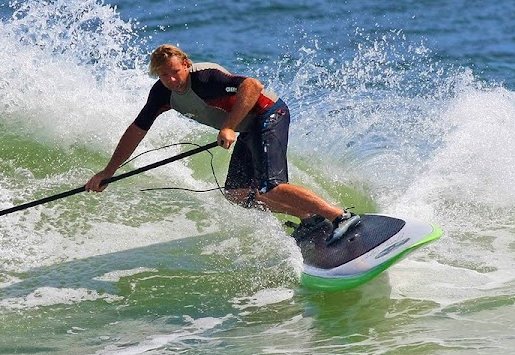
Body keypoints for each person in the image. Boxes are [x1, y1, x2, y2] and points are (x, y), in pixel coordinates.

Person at [85, 44, 361, 244]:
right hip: (249, 128)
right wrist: (108, 171)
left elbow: (252, 85)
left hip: (269, 114)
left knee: (272, 186)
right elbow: (136, 130)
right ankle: (309, 218)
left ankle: (339, 216)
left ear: (185, 63)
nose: (171, 80)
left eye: (174, 72)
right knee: (237, 193)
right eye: (163, 76)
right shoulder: (162, 94)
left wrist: (228, 126)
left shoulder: (205, 79)